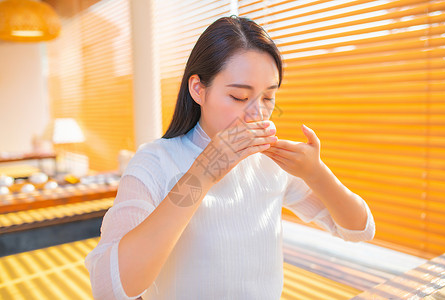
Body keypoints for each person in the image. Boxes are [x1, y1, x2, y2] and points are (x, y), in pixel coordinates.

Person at [85, 15, 375, 300]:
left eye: (268, 98)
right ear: (198, 89)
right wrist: (203, 174)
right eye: (239, 97)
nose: (257, 113)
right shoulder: (155, 161)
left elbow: (359, 230)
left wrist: (317, 173)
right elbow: (109, 289)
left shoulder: (269, 163)